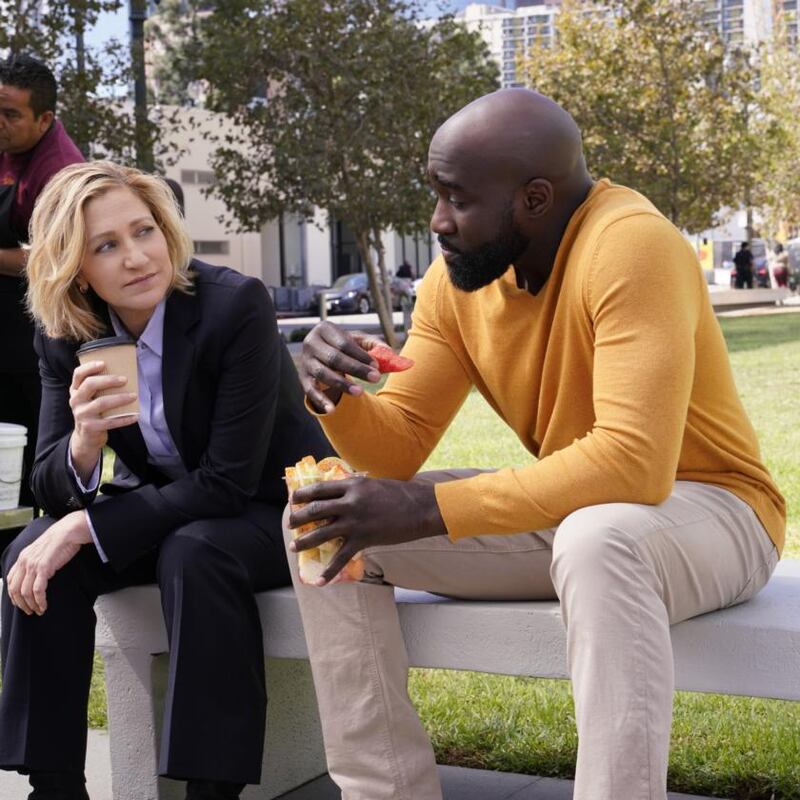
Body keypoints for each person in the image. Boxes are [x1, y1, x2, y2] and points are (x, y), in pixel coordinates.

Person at [287, 89, 785, 800]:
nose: (438, 221)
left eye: (456, 198)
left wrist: (432, 512)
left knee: (597, 538)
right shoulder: (458, 284)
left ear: (535, 198)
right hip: (584, 513)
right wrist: (333, 393)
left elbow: (634, 465)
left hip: (718, 512)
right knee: (320, 514)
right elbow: (393, 453)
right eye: (435, 194)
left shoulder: (632, 244)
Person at [0, 161, 332, 800]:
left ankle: (211, 790)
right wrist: (85, 440)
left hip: (278, 510)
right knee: (32, 552)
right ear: (75, 267)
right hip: (183, 512)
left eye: (144, 231)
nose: (136, 257)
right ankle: (54, 787)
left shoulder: (232, 306)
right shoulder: (67, 337)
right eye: (106, 246)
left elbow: (228, 484)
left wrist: (86, 521)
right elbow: (47, 483)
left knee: (197, 548)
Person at [0, 54, 84, 507]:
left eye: (11, 115)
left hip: (44, 325)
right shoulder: (8, 147)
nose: (0, 123)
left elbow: (54, 259)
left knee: (32, 446)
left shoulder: (60, 173)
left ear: (44, 118)